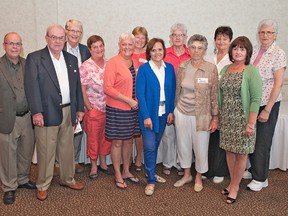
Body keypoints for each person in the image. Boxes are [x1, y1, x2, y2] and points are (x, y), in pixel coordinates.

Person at [24, 24, 85, 201]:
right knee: (46, 150)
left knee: (67, 149)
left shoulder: (71, 59)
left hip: (68, 111)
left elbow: (76, 88)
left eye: (60, 37)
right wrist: (36, 112)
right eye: (53, 37)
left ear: (65, 39)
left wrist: (79, 108)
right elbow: (31, 87)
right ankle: (42, 184)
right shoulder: (35, 58)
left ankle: (68, 178)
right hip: (46, 112)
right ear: (46, 38)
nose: (57, 41)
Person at [219, 36, 262, 204]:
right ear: (231, 51)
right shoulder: (225, 69)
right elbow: (220, 94)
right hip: (227, 118)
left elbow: (256, 99)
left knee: (241, 153)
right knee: (229, 152)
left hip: (243, 120)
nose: (238, 52)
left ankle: (235, 187)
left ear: (247, 52)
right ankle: (232, 182)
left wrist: (250, 123)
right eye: (235, 48)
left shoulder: (251, 70)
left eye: (242, 49)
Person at [173, 34, 218, 192]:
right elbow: (177, 90)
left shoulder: (210, 68)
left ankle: (198, 176)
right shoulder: (183, 66)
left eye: (200, 48)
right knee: (183, 145)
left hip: (202, 115)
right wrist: (174, 110)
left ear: (205, 50)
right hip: (181, 112)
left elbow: (214, 95)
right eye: (193, 47)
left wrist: (215, 117)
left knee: (200, 147)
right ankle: (187, 175)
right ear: (189, 48)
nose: (196, 51)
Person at [245, 19, 287, 192]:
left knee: (262, 141)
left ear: (275, 34)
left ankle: (261, 178)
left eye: (269, 32)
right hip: (253, 103)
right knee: (252, 138)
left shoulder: (278, 53)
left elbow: (278, 83)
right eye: (262, 32)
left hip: (268, 103)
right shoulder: (254, 50)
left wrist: (268, 109)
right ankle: (255, 170)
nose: (265, 35)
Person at [0, 32, 36, 205]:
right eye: (11, 43)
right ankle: (9, 187)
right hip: (7, 118)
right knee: (7, 155)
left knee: (26, 151)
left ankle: (22, 179)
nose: (15, 47)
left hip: (27, 116)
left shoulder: (27, 64)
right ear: (4, 45)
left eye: (18, 44)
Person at [136, 38, 176, 196]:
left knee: (155, 144)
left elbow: (172, 91)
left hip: (163, 114)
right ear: (149, 52)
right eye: (153, 50)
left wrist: (171, 111)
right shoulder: (144, 69)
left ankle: (149, 171)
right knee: (150, 146)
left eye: (160, 49)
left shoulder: (170, 68)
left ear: (164, 51)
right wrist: (146, 116)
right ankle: (151, 180)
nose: (157, 53)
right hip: (149, 115)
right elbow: (140, 94)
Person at [104, 33, 141, 190]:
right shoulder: (113, 63)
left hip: (133, 109)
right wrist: (128, 101)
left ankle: (126, 171)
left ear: (134, 46)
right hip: (118, 108)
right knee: (118, 142)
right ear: (119, 45)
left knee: (129, 141)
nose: (127, 47)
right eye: (124, 44)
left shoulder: (136, 61)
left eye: (130, 45)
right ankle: (117, 173)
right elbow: (107, 88)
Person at [80, 35, 112, 179]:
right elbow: (82, 90)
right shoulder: (86, 66)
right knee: (93, 138)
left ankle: (103, 163)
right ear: (90, 49)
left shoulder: (109, 63)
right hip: (94, 109)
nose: (99, 49)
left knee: (106, 137)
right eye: (95, 47)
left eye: (101, 45)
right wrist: (89, 108)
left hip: (110, 108)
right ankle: (93, 166)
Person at [204, 26, 233, 183]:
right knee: (209, 136)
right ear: (214, 40)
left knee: (222, 136)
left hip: (225, 101)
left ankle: (220, 170)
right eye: (219, 38)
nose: (221, 41)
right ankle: (207, 169)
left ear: (230, 41)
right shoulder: (208, 57)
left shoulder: (233, 59)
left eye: (225, 39)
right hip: (208, 102)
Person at [161, 23, 191, 176]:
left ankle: (181, 163)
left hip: (186, 98)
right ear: (170, 37)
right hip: (166, 97)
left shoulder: (191, 53)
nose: (177, 38)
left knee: (183, 133)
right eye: (174, 35)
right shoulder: (163, 53)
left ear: (185, 37)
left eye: (181, 35)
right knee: (168, 133)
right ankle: (167, 162)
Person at [63, 19, 91, 173]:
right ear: (66, 31)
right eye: (72, 30)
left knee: (78, 128)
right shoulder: (59, 49)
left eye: (78, 31)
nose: (75, 34)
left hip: (81, 95)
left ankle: (74, 161)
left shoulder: (86, 50)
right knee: (61, 130)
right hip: (64, 96)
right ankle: (58, 163)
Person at [131, 26, 149, 172]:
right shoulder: (125, 53)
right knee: (128, 130)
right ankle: (127, 158)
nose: (140, 40)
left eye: (143, 37)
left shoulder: (149, 55)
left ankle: (138, 156)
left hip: (144, 98)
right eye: (137, 36)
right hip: (128, 98)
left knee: (140, 131)